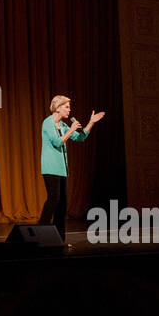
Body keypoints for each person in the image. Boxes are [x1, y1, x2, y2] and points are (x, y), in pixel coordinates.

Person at [38, 95, 104, 241]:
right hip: (50, 168)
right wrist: (71, 129)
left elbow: (80, 138)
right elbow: (56, 142)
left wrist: (90, 123)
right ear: (57, 107)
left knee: (62, 206)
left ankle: (59, 239)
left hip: (61, 169)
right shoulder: (48, 123)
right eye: (67, 107)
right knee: (53, 200)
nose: (70, 109)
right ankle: (38, 233)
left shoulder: (63, 125)